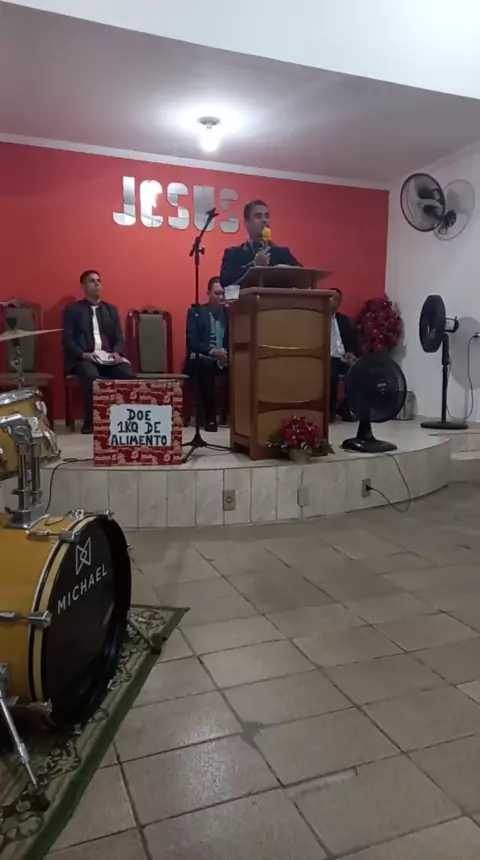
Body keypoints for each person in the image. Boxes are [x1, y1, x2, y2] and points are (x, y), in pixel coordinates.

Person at [63, 270, 135, 434]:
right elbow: (67, 339)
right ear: (83, 286)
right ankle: (92, 422)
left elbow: (119, 338)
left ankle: (123, 419)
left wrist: (117, 352)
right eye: (92, 281)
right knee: (91, 376)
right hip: (85, 358)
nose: (97, 284)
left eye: (99, 281)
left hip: (108, 357)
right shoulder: (73, 310)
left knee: (128, 374)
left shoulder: (111, 310)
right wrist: (83, 354)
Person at [219, 199, 301, 286]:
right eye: (258, 216)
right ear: (246, 223)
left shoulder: (282, 253)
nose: (264, 220)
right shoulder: (233, 254)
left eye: (267, 216)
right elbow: (225, 282)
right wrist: (254, 265)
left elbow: (304, 276)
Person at [184, 277, 228, 432]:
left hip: (225, 359)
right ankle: (210, 418)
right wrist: (214, 352)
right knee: (205, 366)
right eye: (217, 293)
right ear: (208, 293)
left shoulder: (231, 314)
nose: (220, 297)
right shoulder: (195, 312)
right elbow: (192, 342)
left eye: (223, 293)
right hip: (203, 357)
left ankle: (240, 418)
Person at [330, 288, 359, 422]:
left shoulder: (343, 319)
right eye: (331, 298)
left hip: (342, 358)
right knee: (332, 374)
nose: (333, 301)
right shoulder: (319, 319)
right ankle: (331, 410)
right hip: (328, 358)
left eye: (336, 299)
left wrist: (350, 353)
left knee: (359, 372)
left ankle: (345, 407)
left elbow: (351, 340)